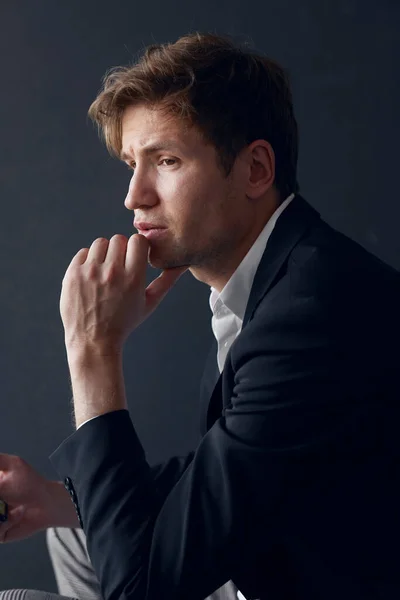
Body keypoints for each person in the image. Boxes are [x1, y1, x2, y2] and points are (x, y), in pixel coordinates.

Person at [1, 30, 400, 600]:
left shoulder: (314, 313)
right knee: (71, 520)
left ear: (256, 170)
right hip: (267, 553)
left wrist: (92, 349)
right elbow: (236, 462)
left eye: (166, 160)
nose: (134, 195)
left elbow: (145, 589)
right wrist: (52, 499)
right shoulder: (273, 278)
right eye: (131, 164)